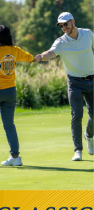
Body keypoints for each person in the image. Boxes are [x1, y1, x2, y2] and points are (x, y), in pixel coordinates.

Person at [35, 12, 94, 161]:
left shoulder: (87, 34)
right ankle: (78, 150)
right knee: (77, 116)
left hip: (92, 80)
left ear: (73, 21)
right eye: (61, 26)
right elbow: (50, 52)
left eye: (65, 24)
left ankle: (89, 136)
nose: (64, 28)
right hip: (75, 83)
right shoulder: (61, 42)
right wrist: (42, 56)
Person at [0, 25, 39, 166]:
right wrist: (36, 58)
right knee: (9, 125)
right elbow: (28, 57)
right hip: (10, 91)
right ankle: (15, 157)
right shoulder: (15, 51)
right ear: (9, 36)